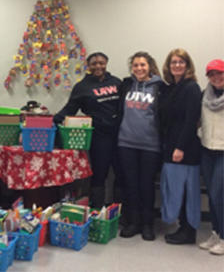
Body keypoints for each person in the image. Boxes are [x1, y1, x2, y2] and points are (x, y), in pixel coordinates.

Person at [53, 52, 124, 209]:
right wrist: (51, 121)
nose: (98, 66)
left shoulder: (117, 82)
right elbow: (70, 108)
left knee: (122, 174)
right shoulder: (82, 87)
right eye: (94, 64)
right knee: (99, 174)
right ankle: (98, 212)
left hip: (121, 135)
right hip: (99, 137)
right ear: (88, 66)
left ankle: (120, 212)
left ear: (106, 64)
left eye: (101, 63)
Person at [118, 51, 163, 241]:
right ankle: (134, 222)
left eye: (142, 65)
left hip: (150, 145)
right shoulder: (126, 85)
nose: (139, 68)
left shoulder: (160, 87)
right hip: (126, 143)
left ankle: (147, 224)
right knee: (132, 185)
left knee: (147, 185)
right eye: (135, 65)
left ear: (150, 66)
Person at [159, 48, 202, 245]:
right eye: (173, 62)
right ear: (168, 66)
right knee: (175, 190)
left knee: (187, 191)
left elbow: (191, 120)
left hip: (185, 148)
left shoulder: (191, 87)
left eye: (181, 62)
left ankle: (188, 231)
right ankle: (181, 227)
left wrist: (180, 148)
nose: (177, 65)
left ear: (187, 65)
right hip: (171, 146)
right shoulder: (170, 88)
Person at [198, 59, 224, 255]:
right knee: (212, 195)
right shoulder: (204, 96)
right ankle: (216, 232)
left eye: (220, 73)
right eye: (212, 74)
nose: (216, 77)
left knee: (218, 194)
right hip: (207, 150)